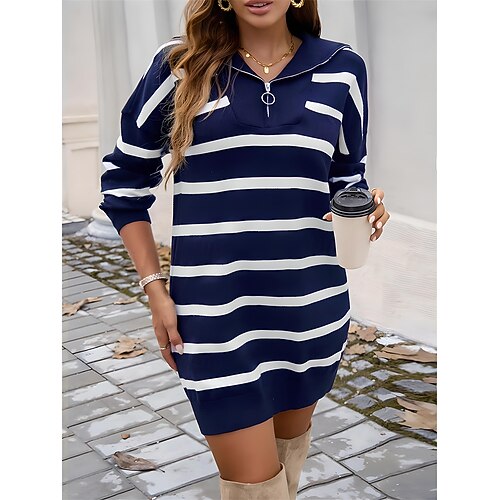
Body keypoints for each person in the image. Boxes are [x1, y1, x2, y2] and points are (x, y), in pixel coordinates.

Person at [99, 0, 390, 498]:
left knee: (285, 473)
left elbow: (346, 179)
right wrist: (154, 289)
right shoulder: (180, 66)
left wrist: (367, 206)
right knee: (252, 486)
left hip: (310, 307)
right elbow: (123, 184)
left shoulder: (343, 68)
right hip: (214, 315)